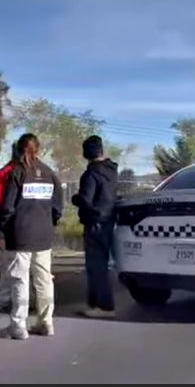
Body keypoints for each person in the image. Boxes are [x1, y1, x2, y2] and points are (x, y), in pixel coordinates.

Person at [0, 133, 63, 339]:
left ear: (19, 149)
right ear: (39, 149)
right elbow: (58, 207)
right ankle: (46, 323)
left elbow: (7, 207)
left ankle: (18, 325)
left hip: (20, 235)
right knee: (44, 280)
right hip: (44, 236)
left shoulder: (17, 173)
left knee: (20, 280)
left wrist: (2, 229)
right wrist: (47, 223)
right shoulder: (50, 173)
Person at [72, 135, 119, 318]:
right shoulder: (112, 171)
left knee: (96, 266)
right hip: (108, 220)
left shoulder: (91, 174)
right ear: (102, 150)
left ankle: (104, 306)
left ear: (86, 153)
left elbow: (86, 200)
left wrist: (75, 199)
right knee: (101, 265)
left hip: (94, 223)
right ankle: (94, 304)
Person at [0, 142, 22, 313]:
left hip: (9, 228)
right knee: (13, 267)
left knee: (8, 267)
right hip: (14, 229)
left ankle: (4, 300)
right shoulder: (6, 174)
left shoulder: (5, 173)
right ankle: (9, 301)